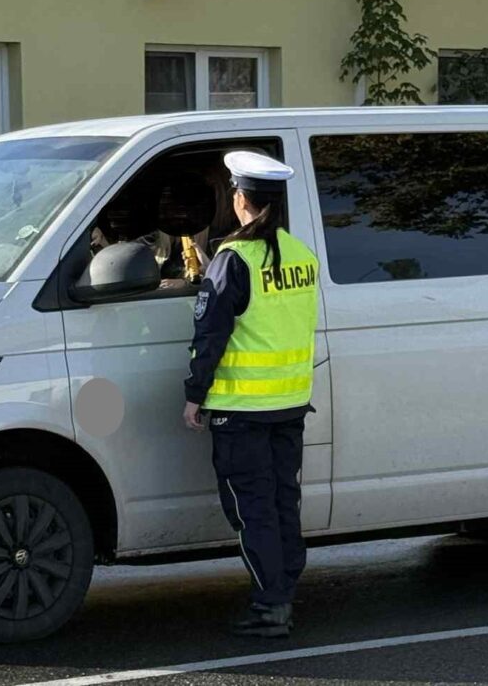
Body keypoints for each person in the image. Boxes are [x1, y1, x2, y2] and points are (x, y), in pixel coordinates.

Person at [182, 150, 320, 638]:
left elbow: (210, 336)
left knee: (252, 508)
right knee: (284, 502)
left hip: (241, 409)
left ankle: (271, 605)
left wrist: (194, 395)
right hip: (289, 404)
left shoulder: (233, 259)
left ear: (241, 201)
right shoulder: (303, 255)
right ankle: (284, 589)